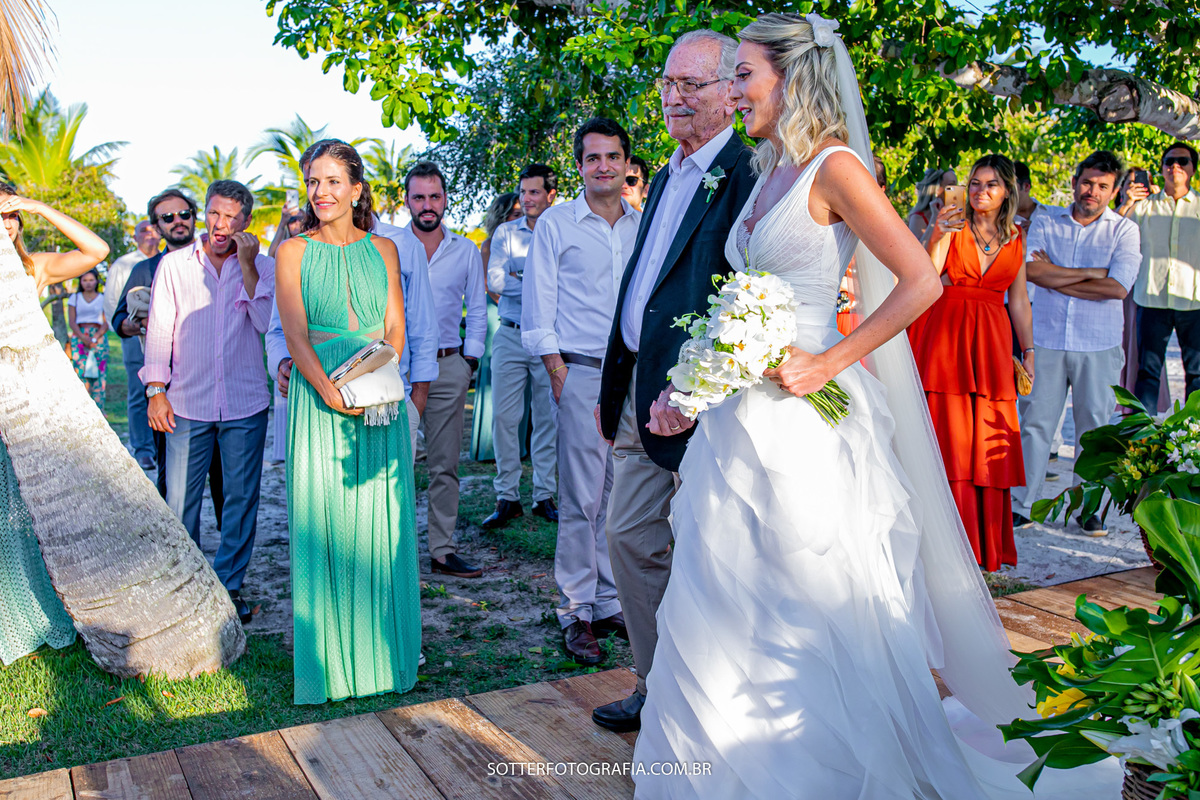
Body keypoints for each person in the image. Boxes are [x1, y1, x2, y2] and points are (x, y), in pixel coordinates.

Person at [631, 14, 1122, 798]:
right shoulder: (768, 171)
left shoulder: (836, 168)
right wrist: (699, 380)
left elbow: (921, 282)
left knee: (805, 590)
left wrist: (828, 358)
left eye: (743, 76)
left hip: (806, 423)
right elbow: (743, 301)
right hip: (739, 422)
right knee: (723, 586)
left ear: (792, 80)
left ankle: (811, 768)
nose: (731, 92)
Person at [592, 28, 756, 734]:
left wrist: (698, 388)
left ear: (731, 91)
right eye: (668, 83)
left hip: (710, 403)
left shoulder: (751, 172)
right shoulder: (664, 174)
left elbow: (752, 291)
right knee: (628, 537)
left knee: (716, 552)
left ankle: (714, 698)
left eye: (693, 85)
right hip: (639, 394)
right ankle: (660, 683)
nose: (675, 97)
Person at [274, 140, 420, 705]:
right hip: (319, 401)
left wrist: (375, 379)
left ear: (357, 189)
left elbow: (395, 327)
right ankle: (332, 668)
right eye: (313, 181)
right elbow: (295, 334)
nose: (321, 193)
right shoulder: (293, 251)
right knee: (327, 523)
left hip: (379, 397)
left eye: (333, 181)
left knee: (381, 527)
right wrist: (330, 391)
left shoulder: (384, 248)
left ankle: (386, 658)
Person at [522, 117, 640, 665]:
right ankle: (574, 610)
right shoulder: (555, 225)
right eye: (592, 158)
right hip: (581, 373)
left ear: (626, 163)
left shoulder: (642, 225)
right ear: (579, 166)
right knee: (581, 498)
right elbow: (537, 307)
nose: (603, 167)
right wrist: (556, 371)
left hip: (634, 376)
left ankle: (610, 599)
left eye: (612, 157)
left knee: (622, 496)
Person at [141, 180, 274, 624]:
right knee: (179, 503)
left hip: (245, 402)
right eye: (216, 214)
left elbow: (264, 322)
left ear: (246, 223)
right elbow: (160, 329)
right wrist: (155, 390)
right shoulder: (176, 266)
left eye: (232, 217)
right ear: (206, 214)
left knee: (240, 500)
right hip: (186, 403)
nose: (221, 225)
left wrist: (250, 265)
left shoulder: (262, 265)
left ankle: (227, 589)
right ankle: (186, 589)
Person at [0, 184, 109, 665]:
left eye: (11, 217)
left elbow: (97, 250)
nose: (6, 225)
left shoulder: (34, 267)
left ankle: (37, 612)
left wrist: (39, 206)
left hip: (30, 399)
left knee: (26, 510)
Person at [1011, 151, 1141, 536]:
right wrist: (1090, 274)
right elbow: (1031, 272)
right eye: (1087, 182)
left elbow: (1117, 288)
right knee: (1035, 423)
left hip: (1098, 343)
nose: (1092, 191)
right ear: (1075, 181)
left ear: (1114, 190)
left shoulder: (1123, 231)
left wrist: (1059, 274)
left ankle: (1089, 508)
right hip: (1047, 337)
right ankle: (1025, 505)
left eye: (1102, 186)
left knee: (1094, 429)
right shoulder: (1049, 221)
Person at [914, 154, 1032, 571]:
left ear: (1007, 193)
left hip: (993, 346)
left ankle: (983, 547)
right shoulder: (952, 224)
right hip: (948, 343)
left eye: (991, 185)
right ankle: (945, 547)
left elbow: (1018, 300)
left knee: (985, 444)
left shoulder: (1016, 237)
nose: (981, 192)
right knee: (950, 440)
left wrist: (1028, 353)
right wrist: (934, 234)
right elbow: (926, 277)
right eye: (975, 183)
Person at [112, 190, 225, 494]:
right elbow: (120, 319)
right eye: (168, 217)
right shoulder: (145, 270)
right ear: (156, 226)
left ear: (194, 216)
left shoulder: (220, 261)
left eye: (184, 214)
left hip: (219, 385)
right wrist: (129, 324)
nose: (178, 221)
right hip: (170, 390)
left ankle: (227, 541)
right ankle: (178, 541)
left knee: (224, 481)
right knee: (173, 482)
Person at [405, 161, 487, 579]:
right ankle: (394, 551)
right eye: (419, 197)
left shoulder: (465, 251)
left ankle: (442, 550)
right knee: (394, 463)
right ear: (407, 201)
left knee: (444, 464)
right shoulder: (391, 246)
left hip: (447, 367)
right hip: (398, 371)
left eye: (434, 196)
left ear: (446, 200)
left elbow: (476, 311)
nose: (427, 205)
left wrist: (468, 361)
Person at [481, 165, 560, 530]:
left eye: (533, 192)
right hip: (511, 334)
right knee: (505, 418)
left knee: (547, 419)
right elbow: (495, 278)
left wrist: (519, 276)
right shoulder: (505, 232)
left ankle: (544, 495)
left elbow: (566, 283)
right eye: (523, 192)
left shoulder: (560, 227)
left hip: (549, 338)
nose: (526, 199)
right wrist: (538, 279)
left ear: (550, 194)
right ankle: (507, 497)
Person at [1122, 142, 1200, 411]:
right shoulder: (1144, 208)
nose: (1174, 166)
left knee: (1198, 375)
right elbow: (1116, 236)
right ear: (1162, 169)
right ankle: (1143, 441)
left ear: (1193, 169)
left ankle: (1194, 436)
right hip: (1152, 299)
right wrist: (1128, 202)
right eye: (1169, 161)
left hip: (1194, 302)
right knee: (1147, 373)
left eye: (1182, 161)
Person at [471, 191, 522, 462]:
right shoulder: (490, 244)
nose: (520, 218)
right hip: (497, 315)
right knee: (496, 385)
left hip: (518, 313)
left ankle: (520, 447)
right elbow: (493, 287)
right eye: (514, 213)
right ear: (502, 216)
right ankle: (488, 447)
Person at [103, 219, 160, 336]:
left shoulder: (170, 260)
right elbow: (111, 300)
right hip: (133, 333)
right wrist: (124, 327)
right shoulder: (122, 264)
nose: (150, 234)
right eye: (144, 231)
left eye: (153, 230)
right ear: (135, 238)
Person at [66, 267, 109, 408]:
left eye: (91, 280)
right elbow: (72, 321)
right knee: (80, 373)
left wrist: (95, 338)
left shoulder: (103, 298)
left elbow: (106, 321)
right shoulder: (75, 298)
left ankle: (99, 408)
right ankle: (81, 408)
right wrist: (83, 338)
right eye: (85, 280)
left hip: (99, 336)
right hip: (79, 336)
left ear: (96, 281)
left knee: (99, 374)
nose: (88, 283)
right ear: (81, 281)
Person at [907, 166, 956, 243]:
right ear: (936, 190)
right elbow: (919, 252)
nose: (956, 190)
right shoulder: (918, 218)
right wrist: (934, 218)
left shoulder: (956, 216)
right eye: (951, 185)